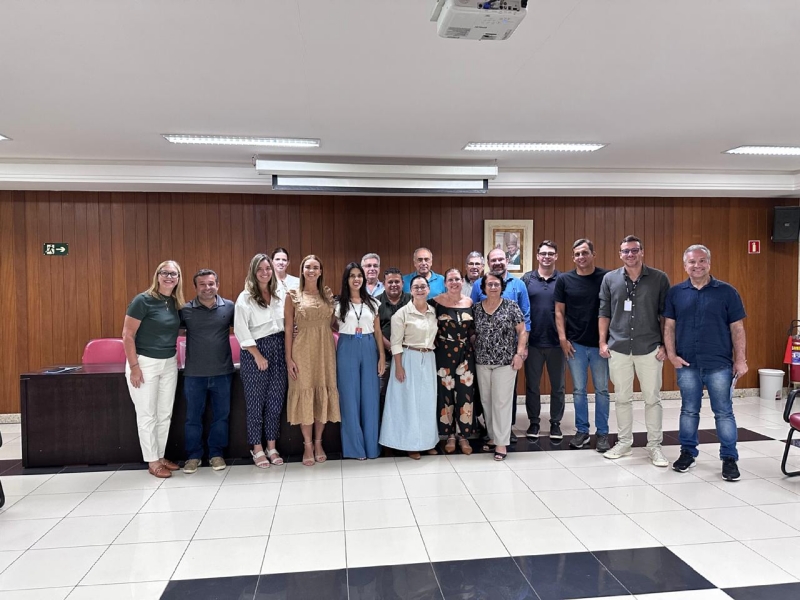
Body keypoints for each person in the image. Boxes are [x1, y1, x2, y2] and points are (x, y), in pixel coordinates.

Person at [664, 244, 747, 482]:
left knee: (723, 412)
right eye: (692, 262)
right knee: (689, 410)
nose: (697, 265)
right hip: (687, 364)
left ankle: (729, 458)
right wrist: (671, 355)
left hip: (719, 364)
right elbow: (669, 326)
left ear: (709, 263)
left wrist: (741, 359)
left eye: (702, 261)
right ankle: (687, 453)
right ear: (685, 265)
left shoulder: (727, 292)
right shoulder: (676, 293)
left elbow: (737, 328)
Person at [599, 235, 670, 466]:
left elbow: (666, 315)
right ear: (620, 254)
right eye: (625, 251)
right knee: (622, 398)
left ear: (642, 252)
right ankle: (624, 443)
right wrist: (602, 342)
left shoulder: (659, 278)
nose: (630, 254)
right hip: (618, 347)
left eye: (634, 250)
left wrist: (666, 345)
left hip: (649, 348)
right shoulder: (610, 279)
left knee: (652, 399)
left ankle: (655, 447)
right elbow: (604, 312)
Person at [122, 260, 185, 479]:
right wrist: (134, 367)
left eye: (173, 274)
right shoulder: (142, 300)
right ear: (157, 275)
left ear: (178, 279)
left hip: (169, 362)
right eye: (164, 273)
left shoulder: (174, 302)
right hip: (144, 363)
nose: (169, 277)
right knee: (147, 414)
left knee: (164, 413)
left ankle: (159, 455)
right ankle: (152, 461)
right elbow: (127, 335)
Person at [554, 239, 611, 452]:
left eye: (585, 253)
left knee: (602, 390)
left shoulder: (606, 278)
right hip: (575, 345)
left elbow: (613, 309)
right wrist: (563, 339)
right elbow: (559, 311)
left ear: (593, 254)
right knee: (579, 390)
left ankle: (602, 433)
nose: (581, 257)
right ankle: (582, 431)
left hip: (600, 345)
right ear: (573, 257)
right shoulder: (564, 280)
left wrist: (608, 341)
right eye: (577, 254)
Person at [285, 255, 340, 466]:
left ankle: (318, 442)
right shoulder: (293, 295)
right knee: (305, 392)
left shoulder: (327, 294)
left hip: (325, 349)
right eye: (308, 267)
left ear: (320, 271)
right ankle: (307, 445)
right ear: (302, 270)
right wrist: (288, 358)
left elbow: (334, 322)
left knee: (321, 393)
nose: (311, 270)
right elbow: (288, 328)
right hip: (302, 350)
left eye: (315, 267)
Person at [471, 248, 531, 443]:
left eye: (496, 284)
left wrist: (520, 353)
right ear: (483, 287)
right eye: (489, 284)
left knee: (502, 401)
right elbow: (470, 329)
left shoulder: (511, 304)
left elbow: (523, 328)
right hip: (482, 361)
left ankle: (502, 442)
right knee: (487, 401)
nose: (493, 287)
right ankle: (493, 436)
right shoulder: (476, 308)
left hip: (506, 360)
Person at [235, 254, 288, 469]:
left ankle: (271, 447)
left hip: (279, 347)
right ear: (253, 271)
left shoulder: (279, 293)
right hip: (255, 350)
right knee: (256, 403)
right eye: (260, 269)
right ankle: (257, 448)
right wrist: (257, 355)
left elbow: (286, 320)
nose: (265, 273)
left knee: (275, 402)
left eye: (268, 268)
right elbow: (241, 329)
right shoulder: (245, 297)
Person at [180, 269, 235, 474]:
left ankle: (216, 454)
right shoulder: (185, 310)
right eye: (202, 284)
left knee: (221, 416)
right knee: (193, 417)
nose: (207, 288)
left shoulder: (229, 307)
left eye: (211, 284)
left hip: (223, 373)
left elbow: (245, 328)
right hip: (194, 374)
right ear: (195, 287)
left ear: (217, 285)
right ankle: (193, 456)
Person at [379, 275, 439, 459]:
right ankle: (410, 445)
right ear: (410, 291)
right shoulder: (402, 314)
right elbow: (395, 343)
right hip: (408, 358)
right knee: (409, 403)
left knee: (427, 403)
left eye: (423, 286)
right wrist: (398, 367)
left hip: (428, 358)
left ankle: (427, 442)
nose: (420, 290)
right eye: (416, 287)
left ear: (428, 289)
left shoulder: (433, 312)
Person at [335, 262, 386, 460]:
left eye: (359, 276)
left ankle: (372, 447)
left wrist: (381, 355)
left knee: (370, 398)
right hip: (347, 346)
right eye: (352, 275)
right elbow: (329, 326)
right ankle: (355, 448)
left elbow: (378, 331)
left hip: (369, 346)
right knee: (349, 398)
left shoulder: (372, 302)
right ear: (346, 279)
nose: (356, 279)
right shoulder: (338, 303)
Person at [521, 241, 565, 442]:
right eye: (543, 253)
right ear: (537, 256)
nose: (547, 257)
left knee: (558, 386)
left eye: (551, 253)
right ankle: (534, 422)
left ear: (556, 256)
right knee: (532, 386)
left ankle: (555, 423)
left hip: (557, 343)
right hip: (533, 343)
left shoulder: (563, 280)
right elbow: (520, 310)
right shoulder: (527, 279)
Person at [431, 268, 476, 455]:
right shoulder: (435, 302)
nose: (454, 282)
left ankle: (463, 435)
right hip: (443, 353)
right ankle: (449, 435)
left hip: (465, 353)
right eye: (450, 279)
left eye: (457, 279)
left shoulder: (469, 302)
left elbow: (473, 330)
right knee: (446, 394)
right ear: (445, 283)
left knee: (465, 393)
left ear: (461, 281)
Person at [376, 268, 412, 420]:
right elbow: (375, 330)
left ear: (403, 283)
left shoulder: (412, 300)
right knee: (383, 392)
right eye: (390, 282)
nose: (394, 285)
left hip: (409, 354)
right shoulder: (376, 302)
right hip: (385, 355)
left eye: (397, 281)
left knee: (406, 392)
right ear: (384, 284)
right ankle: (384, 425)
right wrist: (392, 348)